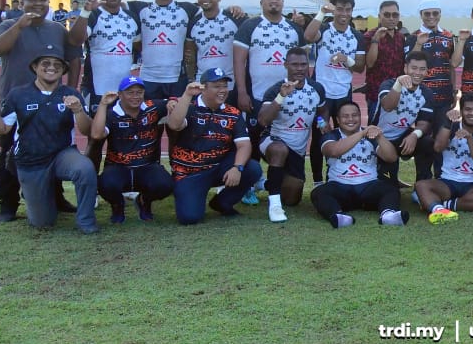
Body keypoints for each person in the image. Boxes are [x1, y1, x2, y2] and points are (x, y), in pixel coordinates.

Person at [0, 0, 84, 221]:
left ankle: (56, 196)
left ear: (48, 2)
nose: (37, 3)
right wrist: (19, 26)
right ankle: (8, 205)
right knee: (10, 150)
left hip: (52, 100)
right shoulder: (8, 24)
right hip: (16, 98)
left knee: (55, 147)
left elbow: (74, 58)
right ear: (21, 3)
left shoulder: (56, 29)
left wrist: (71, 87)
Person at [0, 45, 98, 233]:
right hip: (31, 160)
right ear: (35, 67)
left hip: (62, 154)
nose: (51, 67)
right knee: (42, 222)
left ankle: (86, 221)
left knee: (84, 168)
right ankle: (36, 193)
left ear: (63, 70)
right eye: (45, 63)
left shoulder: (70, 94)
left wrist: (78, 110)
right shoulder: (18, 94)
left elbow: (87, 130)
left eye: (57, 65)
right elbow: (1, 129)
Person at [166, 70, 262, 224]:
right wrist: (187, 94)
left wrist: (237, 168)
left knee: (252, 168)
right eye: (217, 86)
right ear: (203, 88)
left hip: (218, 166)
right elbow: (174, 124)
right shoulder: (188, 106)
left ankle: (222, 202)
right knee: (189, 218)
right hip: (190, 173)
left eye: (225, 86)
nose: (222, 90)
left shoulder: (232, 113)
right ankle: (192, 195)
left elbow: (244, 145)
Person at [232, 0, 306, 157]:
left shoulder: (294, 28)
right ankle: (253, 179)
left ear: (283, 2)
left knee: (284, 139)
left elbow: (303, 65)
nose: (274, 1)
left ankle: (279, 179)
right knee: (253, 137)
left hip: (289, 95)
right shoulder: (250, 26)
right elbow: (238, 62)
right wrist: (242, 92)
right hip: (257, 95)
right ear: (261, 2)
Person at [90, 76, 175, 223]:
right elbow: (97, 134)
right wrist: (103, 105)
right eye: (130, 93)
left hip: (147, 166)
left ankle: (144, 201)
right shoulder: (111, 113)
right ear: (120, 94)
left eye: (139, 92)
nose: (135, 96)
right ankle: (117, 205)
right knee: (105, 185)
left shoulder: (152, 107)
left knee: (165, 184)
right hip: (118, 167)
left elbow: (171, 102)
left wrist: (173, 102)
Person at [312, 101, 409, 227]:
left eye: (355, 115)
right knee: (319, 193)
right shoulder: (331, 135)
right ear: (338, 119)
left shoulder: (371, 135)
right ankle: (339, 216)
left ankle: (388, 215)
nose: (350, 119)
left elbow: (391, 157)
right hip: (340, 186)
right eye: (345, 116)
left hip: (368, 186)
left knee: (391, 190)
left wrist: (380, 137)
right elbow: (333, 151)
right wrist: (362, 133)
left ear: (360, 116)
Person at [257, 47, 327, 223]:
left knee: (292, 198)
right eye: (294, 64)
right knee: (280, 151)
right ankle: (274, 206)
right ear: (285, 65)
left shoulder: (316, 88)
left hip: (297, 150)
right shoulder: (275, 90)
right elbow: (264, 120)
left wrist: (321, 122)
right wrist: (281, 96)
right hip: (273, 141)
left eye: (303, 64)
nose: (300, 68)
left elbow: (322, 110)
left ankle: (264, 184)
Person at [304, 0, 368, 186]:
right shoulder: (323, 28)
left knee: (343, 135)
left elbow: (359, 67)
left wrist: (345, 59)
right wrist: (321, 13)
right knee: (320, 134)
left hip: (343, 95)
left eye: (348, 10)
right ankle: (317, 180)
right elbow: (307, 36)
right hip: (321, 96)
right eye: (340, 9)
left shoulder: (356, 35)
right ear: (333, 9)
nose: (344, 13)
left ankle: (338, 175)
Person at [416, 94, 473, 224]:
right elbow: (438, 148)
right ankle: (438, 209)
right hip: (446, 182)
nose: (472, 113)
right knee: (421, 185)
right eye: (467, 109)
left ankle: (442, 205)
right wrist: (447, 123)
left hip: (472, 185)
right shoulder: (451, 127)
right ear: (461, 111)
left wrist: (469, 138)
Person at [69, 0, 140, 112]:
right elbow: (75, 40)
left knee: (124, 131)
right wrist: (85, 12)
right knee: (96, 132)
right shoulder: (93, 15)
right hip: (97, 89)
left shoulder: (131, 17)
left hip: (124, 90)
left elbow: (138, 45)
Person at [128, 0, 199, 99]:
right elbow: (112, 2)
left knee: (178, 117)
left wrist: (232, 10)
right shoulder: (140, 8)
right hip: (148, 77)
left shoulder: (188, 9)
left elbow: (211, 10)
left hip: (177, 78)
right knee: (148, 118)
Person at [371, 50, 437, 184]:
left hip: (402, 137)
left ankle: (422, 184)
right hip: (378, 136)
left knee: (427, 142)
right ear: (405, 68)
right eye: (414, 68)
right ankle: (390, 178)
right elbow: (388, 106)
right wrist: (399, 85)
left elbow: (424, 123)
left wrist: (414, 135)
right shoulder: (389, 84)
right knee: (387, 185)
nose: (418, 73)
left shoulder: (426, 93)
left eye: (422, 69)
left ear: (426, 72)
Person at [184, 0, 241, 103]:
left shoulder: (235, 18)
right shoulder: (193, 22)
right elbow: (190, 54)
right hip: (203, 84)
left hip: (229, 84)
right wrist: (191, 78)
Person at [403, 0, 457, 120]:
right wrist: (419, 43)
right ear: (421, 15)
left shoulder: (448, 36)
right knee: (423, 134)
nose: (431, 16)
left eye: (435, 13)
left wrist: (453, 91)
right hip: (422, 96)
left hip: (445, 96)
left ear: (440, 14)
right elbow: (408, 64)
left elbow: (451, 66)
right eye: (427, 13)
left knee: (443, 134)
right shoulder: (413, 36)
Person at [362, 0, 408, 114]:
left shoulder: (401, 37)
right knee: (375, 128)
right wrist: (375, 40)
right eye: (387, 15)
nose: (391, 18)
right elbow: (369, 63)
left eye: (395, 15)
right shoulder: (369, 36)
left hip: (398, 91)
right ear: (379, 16)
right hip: (376, 92)